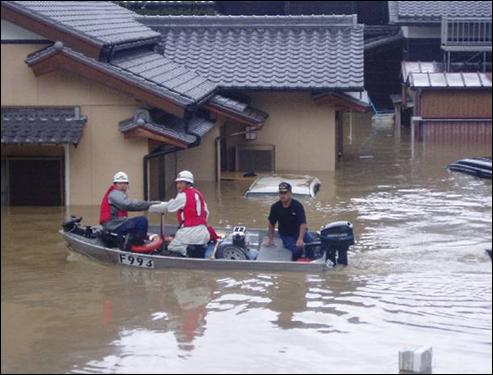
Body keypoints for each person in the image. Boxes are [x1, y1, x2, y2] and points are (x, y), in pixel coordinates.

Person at [149, 170, 215, 256]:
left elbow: (168, 208)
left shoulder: (183, 195)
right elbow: (206, 212)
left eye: (181, 183)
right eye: (177, 183)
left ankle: (188, 252)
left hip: (189, 233)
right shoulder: (198, 194)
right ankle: (196, 250)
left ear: (188, 183)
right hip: (204, 233)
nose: (178, 185)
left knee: (171, 248)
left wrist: (148, 206)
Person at [100, 171, 159, 248]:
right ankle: (137, 245)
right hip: (113, 226)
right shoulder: (114, 194)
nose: (122, 185)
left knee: (135, 222)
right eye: (120, 183)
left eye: (124, 183)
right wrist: (148, 204)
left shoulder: (118, 195)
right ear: (114, 185)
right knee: (142, 220)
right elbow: (127, 204)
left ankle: (132, 241)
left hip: (116, 224)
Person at [266, 182, 312, 261]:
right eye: (281, 193)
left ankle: (311, 259)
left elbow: (303, 223)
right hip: (286, 235)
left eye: (285, 193)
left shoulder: (297, 206)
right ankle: (297, 262)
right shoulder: (275, 207)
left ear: (290, 193)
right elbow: (271, 224)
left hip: (299, 232)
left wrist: (300, 239)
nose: (282, 195)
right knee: (296, 251)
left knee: (312, 244)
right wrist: (270, 239)